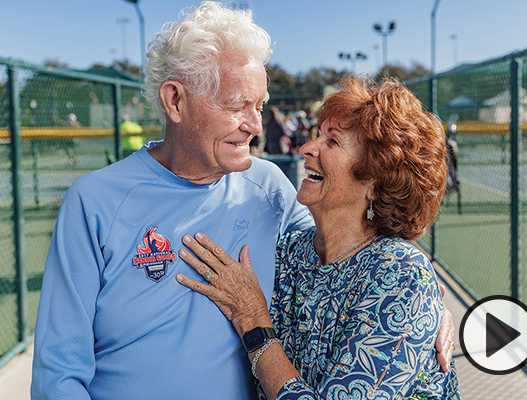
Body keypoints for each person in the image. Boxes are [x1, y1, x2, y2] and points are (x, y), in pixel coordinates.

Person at [31, 3, 453, 399]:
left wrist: (422, 301)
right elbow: (59, 373)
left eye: (260, 105)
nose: (254, 125)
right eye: (236, 105)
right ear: (175, 100)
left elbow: (354, 248)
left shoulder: (268, 188)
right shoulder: (95, 202)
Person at [175, 76, 461, 399]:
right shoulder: (291, 252)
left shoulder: (402, 275)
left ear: (376, 182)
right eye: (318, 136)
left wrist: (254, 323)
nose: (308, 148)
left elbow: (252, 320)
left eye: (333, 142)